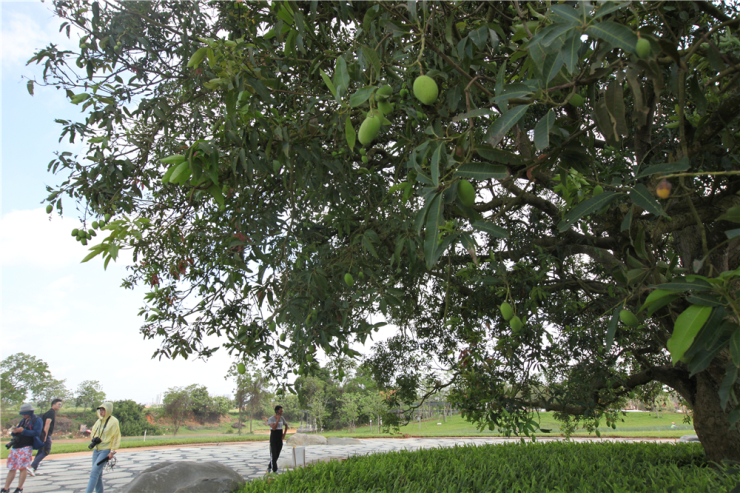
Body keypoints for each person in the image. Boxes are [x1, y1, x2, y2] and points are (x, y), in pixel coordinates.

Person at [2, 403, 43, 493]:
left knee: (22, 467)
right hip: (16, 446)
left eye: (25, 413)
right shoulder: (23, 421)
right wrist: (15, 431)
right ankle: (6, 488)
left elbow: (37, 433)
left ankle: (19, 488)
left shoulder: (37, 420)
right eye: (23, 414)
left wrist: (23, 431)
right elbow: (17, 431)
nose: (24, 415)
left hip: (26, 446)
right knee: (12, 467)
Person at [84, 402, 121, 493]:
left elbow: (116, 436)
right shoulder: (99, 421)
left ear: (108, 410)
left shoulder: (113, 421)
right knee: (98, 474)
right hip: (96, 449)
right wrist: (94, 439)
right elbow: (93, 432)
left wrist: (112, 451)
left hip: (105, 450)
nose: (101, 412)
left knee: (94, 473)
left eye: (103, 409)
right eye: (100, 410)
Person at [27, 398, 63, 476]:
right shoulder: (51, 413)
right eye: (58, 404)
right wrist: (45, 436)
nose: (60, 406)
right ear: (53, 405)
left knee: (41, 451)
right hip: (45, 435)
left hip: (41, 434)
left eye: (61, 404)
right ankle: (32, 467)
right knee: (46, 450)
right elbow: (47, 424)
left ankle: (33, 469)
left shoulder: (50, 412)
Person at [266, 405, 288, 474]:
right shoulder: (271, 419)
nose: (281, 412)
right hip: (273, 437)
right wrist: (277, 420)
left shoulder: (282, 418)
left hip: (279, 437)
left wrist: (284, 434)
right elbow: (274, 428)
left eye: (282, 411)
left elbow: (286, 425)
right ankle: (275, 470)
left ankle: (269, 466)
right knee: (273, 453)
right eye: (280, 411)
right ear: (277, 411)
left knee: (277, 454)